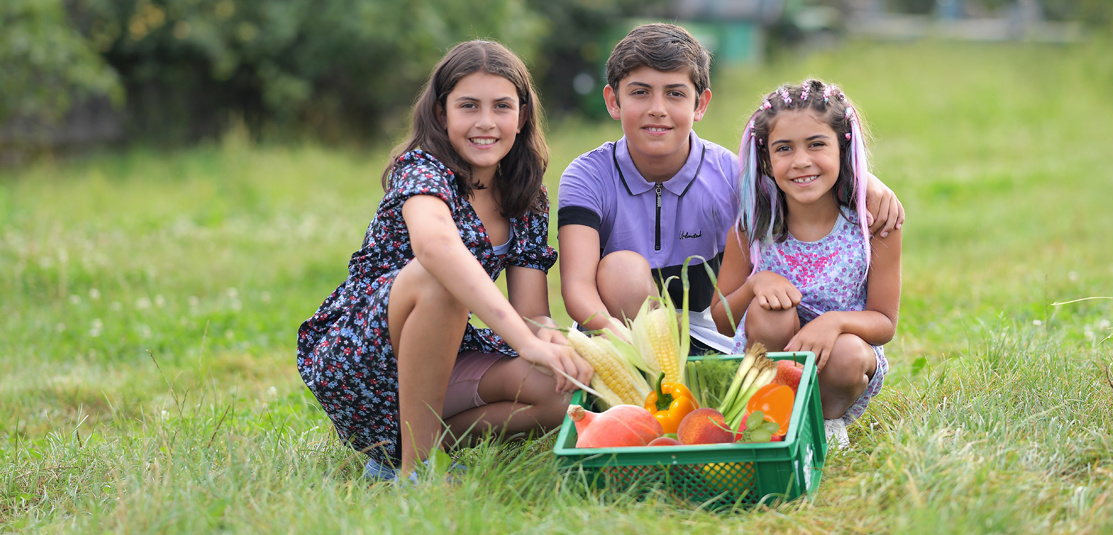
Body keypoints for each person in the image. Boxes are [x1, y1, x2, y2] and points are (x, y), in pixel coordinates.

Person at [296, 40, 593, 483]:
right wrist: (525, 343)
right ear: (442, 113)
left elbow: (533, 316)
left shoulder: (526, 197)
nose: (486, 123)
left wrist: (559, 347)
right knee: (440, 280)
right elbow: (436, 250)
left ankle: (399, 451)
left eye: (502, 107)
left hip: (444, 354)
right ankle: (419, 474)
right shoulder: (422, 169)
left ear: (523, 116)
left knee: (560, 394)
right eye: (469, 106)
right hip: (361, 359)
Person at [557, 23, 904, 354]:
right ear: (613, 101)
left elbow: (801, 178)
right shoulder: (587, 176)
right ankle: (646, 383)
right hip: (620, 335)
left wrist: (866, 182)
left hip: (708, 337)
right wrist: (619, 339)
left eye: (675, 94)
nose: (657, 110)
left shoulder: (734, 177)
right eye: (640, 93)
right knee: (621, 269)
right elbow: (577, 288)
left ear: (701, 104)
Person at [712, 79, 902, 445]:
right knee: (770, 313)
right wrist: (755, 284)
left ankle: (826, 424)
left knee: (847, 352)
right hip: (770, 359)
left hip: (842, 359)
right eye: (784, 148)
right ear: (766, 159)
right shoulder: (752, 228)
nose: (801, 161)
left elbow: (885, 323)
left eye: (817, 144)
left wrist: (834, 322)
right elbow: (721, 320)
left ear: (842, 147)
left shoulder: (872, 225)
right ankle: (772, 415)